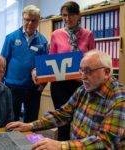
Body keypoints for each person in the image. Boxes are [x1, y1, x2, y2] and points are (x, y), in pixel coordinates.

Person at [6, 50, 125, 150]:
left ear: (106, 72)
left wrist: (61, 145)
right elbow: (62, 114)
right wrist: (30, 126)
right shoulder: (83, 90)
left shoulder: (119, 99)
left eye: (88, 71)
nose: (82, 77)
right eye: (81, 71)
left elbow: (105, 142)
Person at [32, 1, 95, 141]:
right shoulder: (56, 34)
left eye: (71, 15)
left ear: (79, 15)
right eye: (64, 15)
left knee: (81, 122)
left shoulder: (88, 34)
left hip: (80, 85)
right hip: (60, 85)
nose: (67, 19)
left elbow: (92, 60)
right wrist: (38, 71)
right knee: (62, 123)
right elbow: (51, 59)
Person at [1, 5, 49, 122]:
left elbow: (45, 65)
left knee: (31, 122)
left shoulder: (43, 41)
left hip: (33, 89)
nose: (30, 23)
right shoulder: (11, 38)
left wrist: (42, 85)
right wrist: (2, 85)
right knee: (11, 120)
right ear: (22, 19)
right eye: (27, 19)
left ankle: (29, 141)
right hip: (12, 88)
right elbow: (3, 62)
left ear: (38, 22)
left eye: (34, 20)